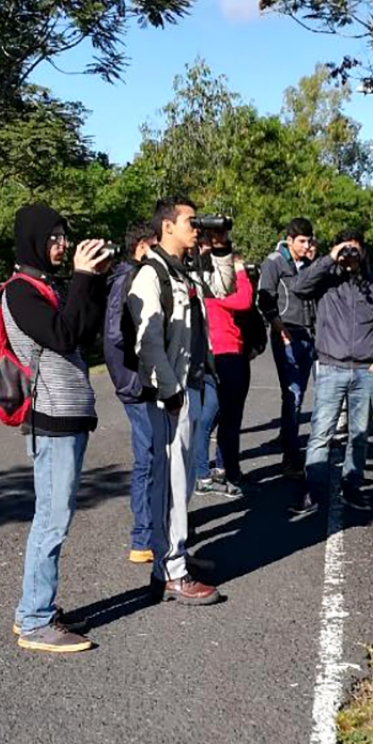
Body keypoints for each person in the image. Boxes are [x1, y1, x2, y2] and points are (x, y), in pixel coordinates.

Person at [2, 203, 111, 653]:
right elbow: (62, 337)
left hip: (66, 416)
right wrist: (83, 278)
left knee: (52, 518)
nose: (63, 245)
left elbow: (83, 331)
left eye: (64, 236)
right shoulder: (20, 293)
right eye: (54, 238)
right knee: (51, 522)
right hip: (49, 418)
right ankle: (34, 620)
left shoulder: (47, 287)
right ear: (33, 241)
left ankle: (34, 607)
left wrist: (95, 279)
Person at [127, 198, 225, 606]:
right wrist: (171, 392)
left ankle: (172, 561)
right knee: (171, 484)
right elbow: (147, 343)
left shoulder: (184, 271)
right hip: (172, 395)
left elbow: (225, 287)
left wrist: (220, 247)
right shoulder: (151, 274)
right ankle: (172, 572)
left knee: (181, 483)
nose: (196, 227)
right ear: (167, 226)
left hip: (191, 385)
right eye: (190, 221)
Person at [289, 228, 373, 517]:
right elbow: (298, 287)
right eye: (345, 249)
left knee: (359, 436)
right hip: (331, 367)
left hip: (365, 370)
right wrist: (330, 259)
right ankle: (313, 492)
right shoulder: (326, 281)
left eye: (355, 249)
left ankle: (352, 489)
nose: (350, 255)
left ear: (363, 252)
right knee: (321, 434)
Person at [103, 221, 158, 565]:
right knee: (148, 455)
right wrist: (139, 372)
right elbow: (115, 334)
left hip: (143, 382)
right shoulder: (130, 279)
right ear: (141, 246)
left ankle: (154, 528)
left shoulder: (134, 275)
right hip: (138, 385)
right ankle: (143, 536)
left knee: (154, 454)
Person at [257, 217, 316, 478]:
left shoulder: (310, 264)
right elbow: (264, 298)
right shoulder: (274, 262)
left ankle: (287, 437)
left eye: (309, 241)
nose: (306, 245)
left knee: (299, 394)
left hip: (309, 335)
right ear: (289, 240)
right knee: (292, 394)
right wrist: (279, 328)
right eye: (302, 241)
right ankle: (291, 459)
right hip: (287, 334)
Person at [196, 256, 254, 498]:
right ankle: (228, 473)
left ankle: (205, 471)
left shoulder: (204, 291)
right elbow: (245, 301)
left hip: (216, 357)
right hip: (225, 356)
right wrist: (241, 273)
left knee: (210, 414)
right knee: (225, 419)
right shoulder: (212, 293)